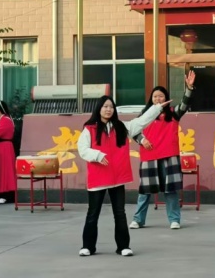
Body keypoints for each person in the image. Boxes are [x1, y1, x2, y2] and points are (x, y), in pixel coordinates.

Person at [78, 95, 171, 257]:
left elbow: (140, 122)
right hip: (98, 178)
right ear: (99, 109)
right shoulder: (89, 129)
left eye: (111, 107)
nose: (108, 110)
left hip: (117, 178)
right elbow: (82, 149)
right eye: (105, 106)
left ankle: (123, 246)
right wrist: (97, 155)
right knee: (93, 213)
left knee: (120, 213)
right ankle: (88, 246)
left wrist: (157, 108)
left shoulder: (121, 127)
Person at [129, 70, 196, 231]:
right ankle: (138, 220)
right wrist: (142, 140)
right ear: (151, 99)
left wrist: (189, 88)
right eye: (155, 96)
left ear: (166, 98)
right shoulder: (144, 114)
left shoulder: (173, 113)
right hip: (149, 156)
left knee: (170, 190)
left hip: (169, 156)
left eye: (161, 96)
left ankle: (174, 220)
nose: (158, 99)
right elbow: (133, 131)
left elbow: (185, 104)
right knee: (145, 191)